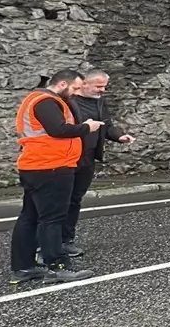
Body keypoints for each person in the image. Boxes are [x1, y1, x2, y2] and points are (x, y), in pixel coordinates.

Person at [10, 70, 103, 284]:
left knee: (30, 217)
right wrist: (87, 127)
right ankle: (57, 267)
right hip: (51, 166)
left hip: (38, 166)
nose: (77, 93)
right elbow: (58, 130)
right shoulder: (46, 102)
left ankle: (24, 267)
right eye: (75, 88)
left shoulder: (37, 99)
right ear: (62, 84)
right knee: (52, 218)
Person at [62, 70, 135, 258]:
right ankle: (45, 243)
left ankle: (66, 240)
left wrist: (119, 136)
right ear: (84, 83)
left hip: (88, 158)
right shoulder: (68, 102)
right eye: (98, 86)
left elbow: (107, 125)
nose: (103, 90)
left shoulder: (100, 101)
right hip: (67, 158)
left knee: (75, 200)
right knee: (59, 201)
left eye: (104, 86)